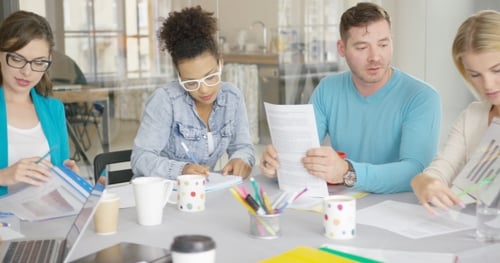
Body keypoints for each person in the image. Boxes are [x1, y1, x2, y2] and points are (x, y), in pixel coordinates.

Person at [259, 2, 441, 194]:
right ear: (342, 48)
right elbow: (303, 150)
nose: (375, 57)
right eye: (362, 47)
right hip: (343, 204)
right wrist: (279, 162)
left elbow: (417, 172)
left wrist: (348, 172)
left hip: (401, 208)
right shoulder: (327, 89)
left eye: (383, 44)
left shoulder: (421, 97)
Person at [131, 6, 255, 180]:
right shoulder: (166, 100)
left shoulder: (232, 97)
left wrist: (240, 159)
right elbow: (140, 159)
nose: (203, 89)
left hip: (200, 194)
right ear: (179, 75)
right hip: (164, 194)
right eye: (191, 82)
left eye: (210, 77)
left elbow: (243, 146)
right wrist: (181, 170)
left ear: (220, 63)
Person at [411, 10, 500, 214]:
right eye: (475, 74)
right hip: (474, 234)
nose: (487, 84)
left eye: (498, 70)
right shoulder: (472, 116)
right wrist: (423, 182)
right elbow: (441, 169)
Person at [0, 11, 79, 196]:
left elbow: (59, 179)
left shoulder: (53, 109)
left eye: (39, 62)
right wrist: (3, 176)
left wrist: (68, 179)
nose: (27, 72)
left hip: (44, 219)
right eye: (17, 59)